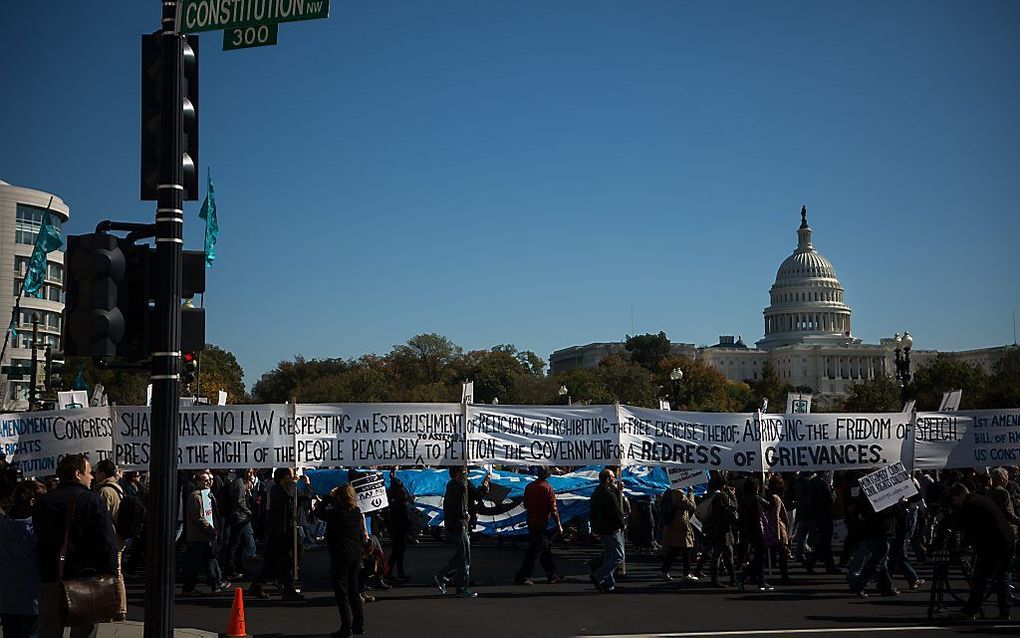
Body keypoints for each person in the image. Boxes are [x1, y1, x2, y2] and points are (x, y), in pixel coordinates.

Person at [34, 454, 118, 638]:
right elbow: (106, 541)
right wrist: (112, 574)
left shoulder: (45, 501)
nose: (92, 477)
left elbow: (37, 537)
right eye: (89, 472)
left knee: (49, 631)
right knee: (84, 632)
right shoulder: (92, 500)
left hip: (52, 577)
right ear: (78, 474)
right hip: (84, 580)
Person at [948, 482, 1014, 620]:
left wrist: (963, 545)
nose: (956, 504)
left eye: (955, 500)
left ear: (961, 495)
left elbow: (967, 527)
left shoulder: (971, 504)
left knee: (982, 577)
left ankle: (970, 611)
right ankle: (1005, 610)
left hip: (995, 543)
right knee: (1002, 576)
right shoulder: (980, 499)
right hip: (1006, 539)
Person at [315, 484, 368, 638]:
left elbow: (319, 512)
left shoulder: (336, 514)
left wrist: (328, 497)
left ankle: (346, 627)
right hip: (355, 554)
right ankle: (359, 624)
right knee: (354, 590)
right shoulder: (356, 512)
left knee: (341, 592)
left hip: (340, 554)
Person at [434, 467, 489, 598]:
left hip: (455, 524)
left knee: (461, 556)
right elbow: (476, 494)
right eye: (465, 472)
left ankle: (444, 576)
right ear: (459, 474)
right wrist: (485, 484)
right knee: (465, 558)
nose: (468, 474)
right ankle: (461, 587)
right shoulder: (460, 485)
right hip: (459, 525)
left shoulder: (452, 485)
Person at [0, 480, 46, 638]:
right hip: (32, 596)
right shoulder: (36, 528)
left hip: (7, 595)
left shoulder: (3, 523)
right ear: (33, 501)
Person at [250, 467, 304, 600]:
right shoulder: (277, 490)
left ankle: (261, 585)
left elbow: (299, 497)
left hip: (283, 530)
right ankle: (287, 589)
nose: (292, 477)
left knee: (276, 563)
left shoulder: (280, 489)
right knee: (284, 561)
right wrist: (295, 484)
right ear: (283, 477)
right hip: (280, 532)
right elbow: (290, 495)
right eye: (289, 475)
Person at [181, 469, 229, 595]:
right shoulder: (195, 496)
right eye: (205, 480)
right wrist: (211, 529)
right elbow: (199, 518)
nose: (208, 482)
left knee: (210, 559)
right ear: (197, 480)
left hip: (205, 535)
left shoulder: (207, 494)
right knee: (195, 563)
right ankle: (189, 588)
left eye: (209, 480)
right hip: (198, 535)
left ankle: (216, 583)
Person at [514, 467, 564, 586]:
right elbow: (554, 509)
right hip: (541, 522)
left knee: (543, 548)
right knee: (535, 551)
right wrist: (559, 525)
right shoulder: (548, 489)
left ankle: (553, 574)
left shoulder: (529, 486)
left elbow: (526, 504)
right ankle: (523, 575)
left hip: (531, 521)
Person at [589, 468, 626, 593]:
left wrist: (594, 527)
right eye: (612, 477)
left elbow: (592, 511)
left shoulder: (596, 492)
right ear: (607, 479)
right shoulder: (609, 494)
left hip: (602, 528)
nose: (614, 478)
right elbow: (616, 511)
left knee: (610, 554)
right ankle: (599, 575)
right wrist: (622, 525)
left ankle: (609, 584)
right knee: (619, 556)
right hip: (611, 529)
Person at [701, 475, 738, 588]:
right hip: (723, 528)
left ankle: (726, 578)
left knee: (721, 552)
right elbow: (734, 505)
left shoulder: (708, 495)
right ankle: (727, 579)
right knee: (723, 553)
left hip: (712, 527)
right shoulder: (721, 495)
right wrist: (731, 493)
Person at [221, 469, 256, 580]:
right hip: (240, 517)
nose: (251, 473)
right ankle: (231, 567)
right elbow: (239, 501)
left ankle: (237, 565)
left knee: (238, 542)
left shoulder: (240, 482)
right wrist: (248, 511)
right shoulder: (240, 483)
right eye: (249, 471)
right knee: (238, 542)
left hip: (240, 516)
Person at [658, 485, 697, 582]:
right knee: (685, 548)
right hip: (680, 525)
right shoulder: (678, 493)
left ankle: (665, 571)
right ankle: (686, 573)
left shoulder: (669, 492)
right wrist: (691, 493)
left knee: (675, 549)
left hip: (674, 525)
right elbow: (691, 506)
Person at [385, 468, 412, 581]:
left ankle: (399, 572)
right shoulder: (396, 500)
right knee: (397, 551)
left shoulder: (395, 496)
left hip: (399, 528)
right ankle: (388, 572)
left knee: (399, 551)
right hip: (398, 529)